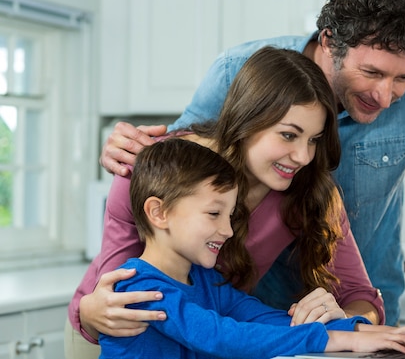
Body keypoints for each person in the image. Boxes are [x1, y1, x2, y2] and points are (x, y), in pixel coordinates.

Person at [97, 0, 405, 349]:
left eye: (402, 79)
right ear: (329, 43)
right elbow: (174, 176)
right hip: (249, 302)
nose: (385, 96)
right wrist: (130, 151)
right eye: (372, 73)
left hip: (357, 302)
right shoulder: (239, 74)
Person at [66, 47, 387, 359]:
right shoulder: (153, 166)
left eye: (314, 140)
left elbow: (360, 297)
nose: (303, 156)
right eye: (288, 135)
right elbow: (116, 292)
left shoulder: (308, 191)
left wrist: (351, 323)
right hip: (112, 331)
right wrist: (89, 312)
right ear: (248, 120)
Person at [98, 137, 405, 358]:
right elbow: (222, 337)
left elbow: (271, 320)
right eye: (214, 213)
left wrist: (382, 333)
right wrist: (341, 341)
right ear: (159, 213)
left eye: (230, 215)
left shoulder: (205, 281)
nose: (228, 230)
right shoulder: (137, 288)